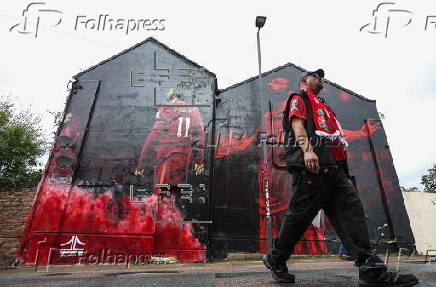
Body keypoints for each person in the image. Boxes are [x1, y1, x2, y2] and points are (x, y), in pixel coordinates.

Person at [262, 69, 419, 286]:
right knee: (299, 218)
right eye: (316, 76)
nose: (321, 79)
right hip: (313, 168)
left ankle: (371, 272)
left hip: (335, 171)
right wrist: (308, 150)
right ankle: (276, 257)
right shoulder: (299, 98)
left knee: (353, 216)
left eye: (321, 77)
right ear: (304, 81)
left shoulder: (324, 107)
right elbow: (298, 124)